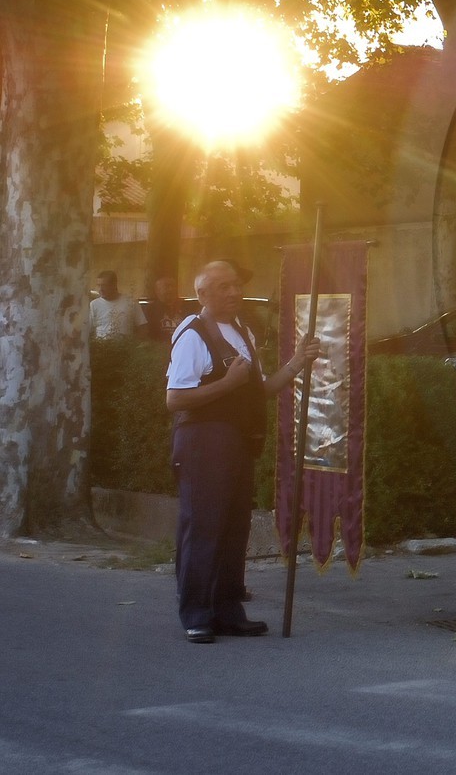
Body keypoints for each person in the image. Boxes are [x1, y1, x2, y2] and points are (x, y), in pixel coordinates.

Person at [166, 260, 320, 643]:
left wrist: (297, 363)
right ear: (202, 295)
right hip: (202, 441)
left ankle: (227, 610)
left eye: (235, 285)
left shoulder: (242, 332)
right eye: (221, 287)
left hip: (238, 441)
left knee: (235, 529)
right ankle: (197, 613)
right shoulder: (193, 334)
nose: (233, 292)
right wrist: (229, 382)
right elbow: (176, 398)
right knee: (203, 528)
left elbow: (260, 390)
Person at [90, 270, 145, 339]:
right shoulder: (94, 305)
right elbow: (88, 331)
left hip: (125, 347)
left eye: (104, 285)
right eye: (99, 285)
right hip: (102, 348)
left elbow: (142, 327)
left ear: (114, 285)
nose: (100, 289)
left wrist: (136, 346)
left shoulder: (130, 302)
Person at [144, 274, 189, 346]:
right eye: (166, 286)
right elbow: (149, 336)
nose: (171, 289)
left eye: (173, 286)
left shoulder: (187, 307)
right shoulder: (151, 310)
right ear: (157, 290)